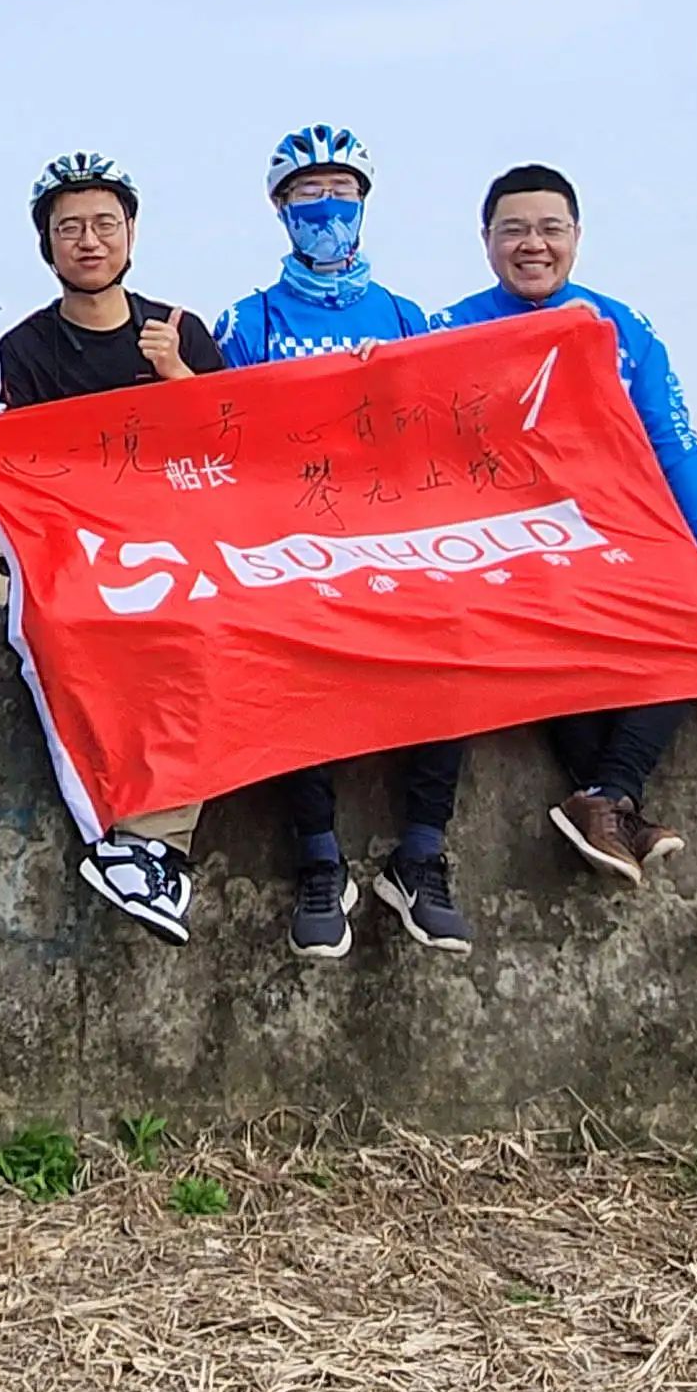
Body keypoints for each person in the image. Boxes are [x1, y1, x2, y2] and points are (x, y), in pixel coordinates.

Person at [434, 162, 697, 888]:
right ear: (485, 241)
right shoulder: (446, 331)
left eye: (549, 228)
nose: (531, 244)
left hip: (614, 538)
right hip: (502, 548)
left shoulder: (620, 327)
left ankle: (604, 797)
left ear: (575, 237)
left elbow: (672, 440)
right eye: (513, 229)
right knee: (546, 633)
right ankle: (614, 800)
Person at [210, 127, 462, 962]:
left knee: (458, 639)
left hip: (392, 542)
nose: (327, 211)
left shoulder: (406, 318)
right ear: (280, 209)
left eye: (340, 192)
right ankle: (318, 858)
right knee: (286, 655)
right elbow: (223, 446)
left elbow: (438, 444)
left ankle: (421, 854)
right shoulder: (244, 321)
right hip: (291, 547)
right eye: (307, 195)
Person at [0, 152, 228, 945]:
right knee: (72, 644)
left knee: (201, 639)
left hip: (179, 544)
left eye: (103, 224)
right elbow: (16, 468)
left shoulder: (178, 330)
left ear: (130, 233)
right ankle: (131, 843)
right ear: (46, 246)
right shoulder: (23, 349)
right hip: (76, 549)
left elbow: (230, 449)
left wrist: (173, 375)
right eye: (69, 229)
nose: (88, 242)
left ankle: (149, 846)